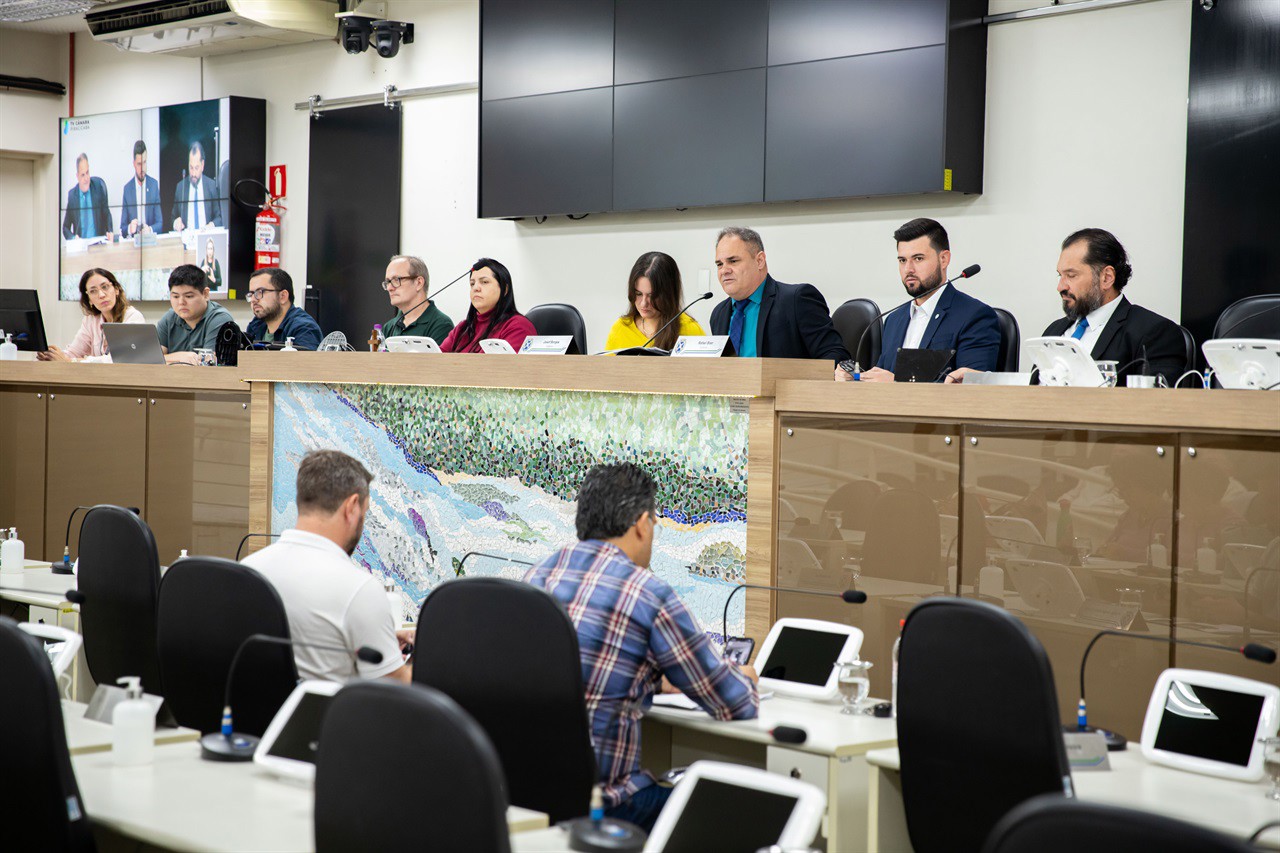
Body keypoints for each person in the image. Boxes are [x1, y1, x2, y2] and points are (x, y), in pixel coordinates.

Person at [524, 463, 759, 831]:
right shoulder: (647, 594)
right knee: (739, 813)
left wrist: (652, 679)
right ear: (642, 523)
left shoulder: (538, 576)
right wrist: (744, 675)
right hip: (604, 806)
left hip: (525, 799)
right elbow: (735, 704)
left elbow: (578, 670)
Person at [242, 450, 410, 683]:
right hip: (329, 718)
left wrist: (380, 639)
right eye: (365, 511)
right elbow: (397, 687)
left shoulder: (248, 571)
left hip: (258, 718)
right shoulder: (359, 589)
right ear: (352, 507)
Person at [852, 218, 1001, 383]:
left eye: (918, 259)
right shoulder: (893, 320)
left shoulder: (975, 316)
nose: (908, 269)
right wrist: (856, 377)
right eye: (902, 260)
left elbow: (971, 388)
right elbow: (880, 378)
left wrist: (897, 383)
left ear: (943, 259)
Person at [1041, 228, 1186, 386]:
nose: (1060, 286)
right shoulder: (1053, 332)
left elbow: (1157, 405)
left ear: (1107, 278)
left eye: (1071, 275)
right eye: (1060, 275)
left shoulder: (1154, 333)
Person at [708, 226, 849, 363]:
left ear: (759, 261)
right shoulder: (719, 314)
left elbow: (835, 355)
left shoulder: (796, 300)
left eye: (733, 261)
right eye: (719, 264)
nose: (724, 270)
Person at [38, 268, 145, 362]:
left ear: (116, 289)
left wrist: (72, 361)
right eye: (93, 291)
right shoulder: (90, 320)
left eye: (105, 287)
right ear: (89, 299)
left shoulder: (133, 317)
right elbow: (74, 352)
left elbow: (118, 359)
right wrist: (53, 355)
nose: (101, 295)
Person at [605, 251, 705, 351]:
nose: (644, 303)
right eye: (638, 294)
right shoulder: (620, 329)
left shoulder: (690, 331)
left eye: (652, 296)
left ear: (669, 294)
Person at [440, 258, 536, 353]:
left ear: (504, 290)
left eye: (484, 282)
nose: (476, 288)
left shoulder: (517, 326)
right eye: (472, 284)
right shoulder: (463, 328)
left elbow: (506, 367)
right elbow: (436, 360)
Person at [155, 264, 235, 364]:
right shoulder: (169, 318)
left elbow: (207, 364)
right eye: (175, 296)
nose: (181, 302)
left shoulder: (220, 319)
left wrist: (169, 359)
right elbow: (153, 358)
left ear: (205, 294)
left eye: (188, 296)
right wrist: (180, 357)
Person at [244, 267, 323, 350]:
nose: (253, 299)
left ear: (283, 296)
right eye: (251, 294)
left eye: (259, 292)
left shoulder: (304, 328)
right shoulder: (256, 325)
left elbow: (304, 362)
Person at [380, 255, 453, 342]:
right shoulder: (388, 327)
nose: (389, 288)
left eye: (396, 279)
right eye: (388, 282)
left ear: (419, 283)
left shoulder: (441, 325)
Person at [171, 141, 222, 231]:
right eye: (191, 167)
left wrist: (212, 225)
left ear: (202, 165)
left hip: (206, 239)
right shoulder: (180, 188)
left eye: (196, 168)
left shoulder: (211, 186)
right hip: (187, 240)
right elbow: (172, 218)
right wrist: (175, 223)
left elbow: (219, 217)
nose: (193, 173)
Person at [61, 153, 112, 240]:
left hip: (98, 245)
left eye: (87, 173)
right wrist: (73, 238)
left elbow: (107, 214)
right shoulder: (73, 196)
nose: (86, 178)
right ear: (77, 176)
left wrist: (110, 231)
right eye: (82, 175)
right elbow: (65, 228)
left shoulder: (98, 188)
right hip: (81, 247)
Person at [120, 139, 162, 238]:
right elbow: (123, 228)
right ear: (134, 164)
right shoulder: (127, 189)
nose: (142, 168)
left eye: (144, 162)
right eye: (139, 164)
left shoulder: (154, 185)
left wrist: (150, 230)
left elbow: (160, 223)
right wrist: (130, 228)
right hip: (133, 243)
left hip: (150, 241)